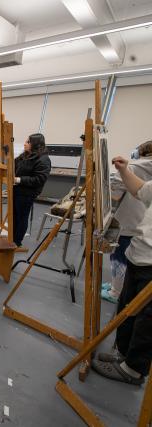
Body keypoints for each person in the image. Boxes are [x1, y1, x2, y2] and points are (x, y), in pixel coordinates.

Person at [91, 154, 152, 386]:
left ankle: (134, 369)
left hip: (151, 264)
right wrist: (125, 171)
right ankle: (123, 353)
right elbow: (142, 190)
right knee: (127, 309)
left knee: (146, 321)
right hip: (138, 254)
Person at [102, 141, 152, 303]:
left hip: (129, 220)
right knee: (122, 257)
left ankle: (116, 291)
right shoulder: (143, 166)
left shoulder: (139, 166)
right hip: (138, 220)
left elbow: (115, 185)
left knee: (119, 257)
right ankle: (116, 287)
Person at [13, 133, 51, 248]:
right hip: (17, 190)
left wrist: (19, 179)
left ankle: (16, 242)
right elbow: (13, 164)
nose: (25, 143)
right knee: (15, 216)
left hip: (27, 194)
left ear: (35, 144)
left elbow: (39, 179)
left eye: (28, 142)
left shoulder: (43, 159)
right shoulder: (25, 155)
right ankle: (12, 239)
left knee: (22, 217)